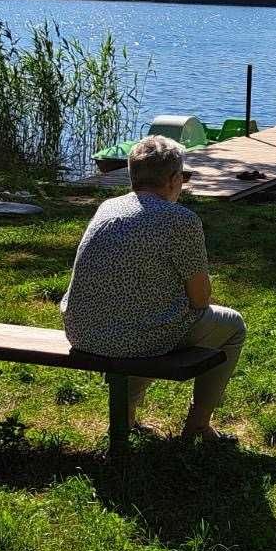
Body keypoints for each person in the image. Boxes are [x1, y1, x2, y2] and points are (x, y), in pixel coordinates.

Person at [60, 136, 246, 442]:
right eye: (183, 177)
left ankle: (127, 419)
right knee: (232, 326)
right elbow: (200, 300)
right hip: (129, 338)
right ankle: (198, 424)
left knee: (142, 319)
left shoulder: (108, 208)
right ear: (173, 180)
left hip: (81, 330)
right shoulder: (181, 221)